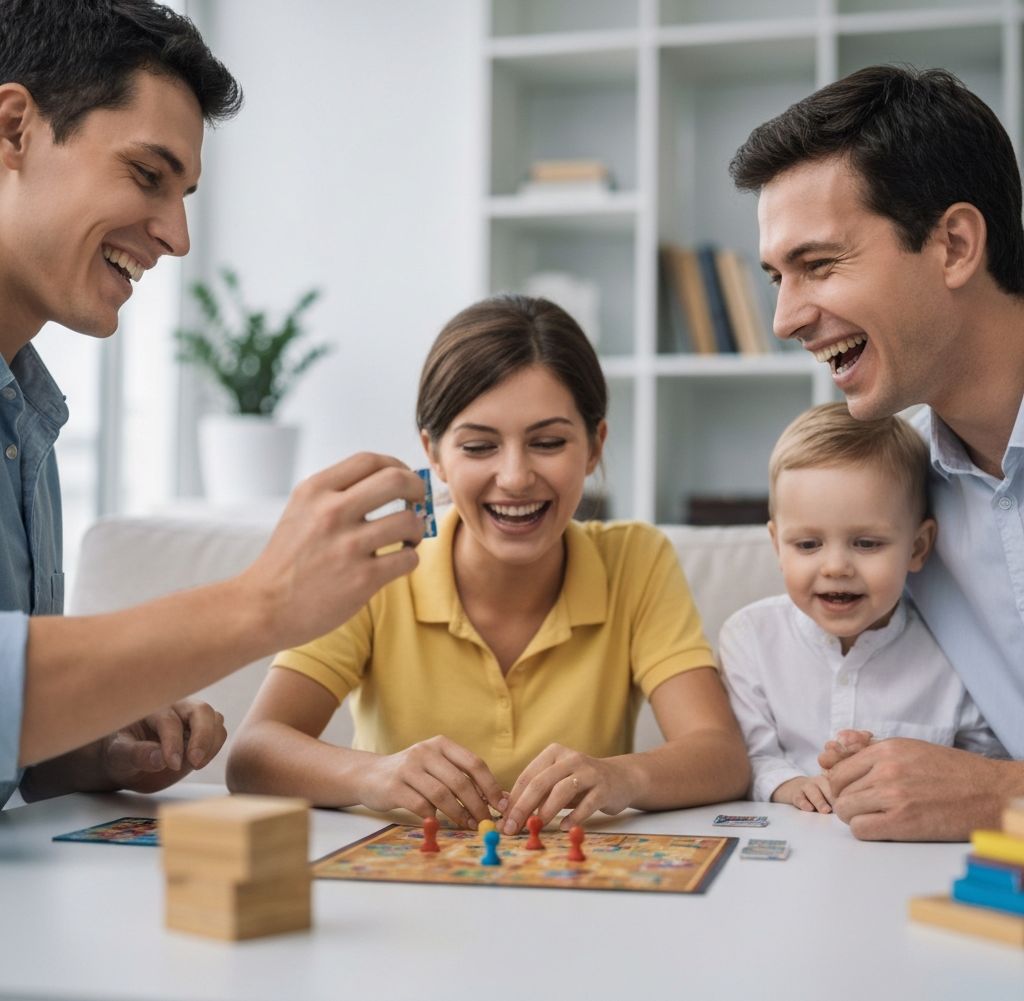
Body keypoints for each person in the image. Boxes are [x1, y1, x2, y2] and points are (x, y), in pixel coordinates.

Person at [0, 0, 426, 810]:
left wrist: (86, 750)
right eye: (147, 174)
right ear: (13, 127)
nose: (176, 236)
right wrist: (264, 600)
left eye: (184, 195)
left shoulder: (30, 425)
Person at [227, 296, 750, 833]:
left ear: (594, 446)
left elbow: (721, 756)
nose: (516, 476)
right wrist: (375, 775)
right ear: (433, 454)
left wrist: (621, 778)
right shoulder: (377, 567)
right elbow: (253, 755)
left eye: (547, 442)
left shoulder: (637, 562)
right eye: (479, 447)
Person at [730, 64, 1024, 840]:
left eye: (819, 265)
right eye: (776, 278)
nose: (785, 318)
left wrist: (1003, 796)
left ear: (954, 244)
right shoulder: (897, 489)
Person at [719, 403, 1006, 814]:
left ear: (918, 547)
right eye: (807, 545)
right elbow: (744, 756)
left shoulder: (955, 651)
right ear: (777, 546)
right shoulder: (749, 639)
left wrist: (905, 765)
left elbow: (985, 763)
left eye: (867, 543)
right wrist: (788, 784)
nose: (835, 567)